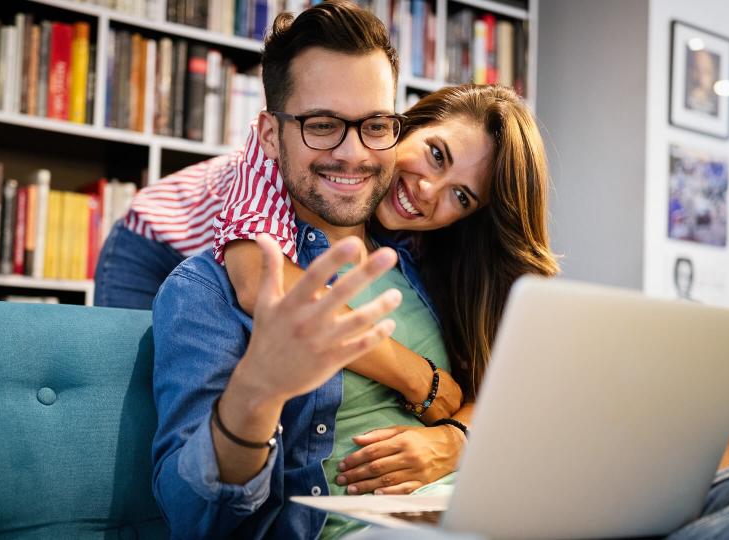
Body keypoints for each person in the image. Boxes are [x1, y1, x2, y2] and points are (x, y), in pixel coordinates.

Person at [148, 2, 557, 538]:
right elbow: (193, 516)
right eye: (322, 125)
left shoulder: (426, 260)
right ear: (270, 136)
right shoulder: (213, 283)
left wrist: (454, 437)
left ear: (394, 125)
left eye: (373, 125)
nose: (353, 152)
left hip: (487, 503)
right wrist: (256, 393)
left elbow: (509, 390)